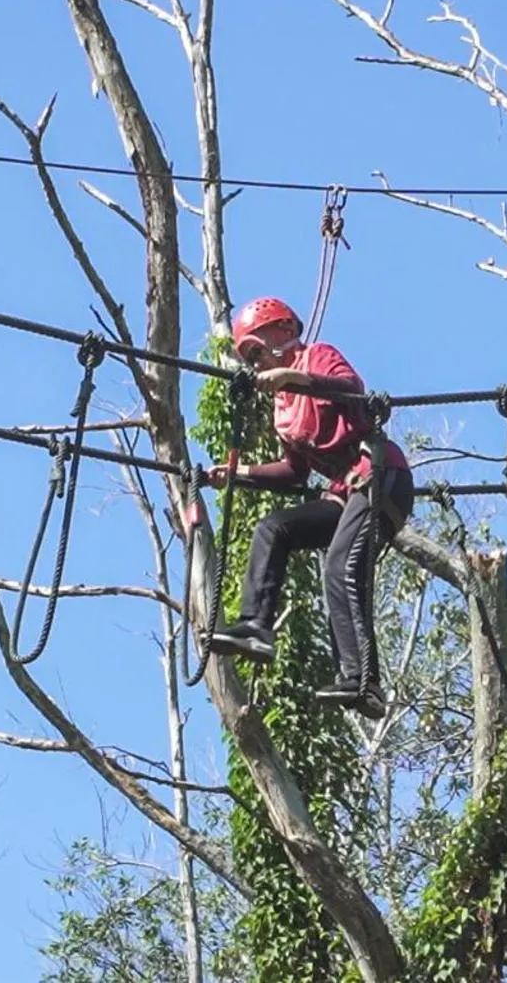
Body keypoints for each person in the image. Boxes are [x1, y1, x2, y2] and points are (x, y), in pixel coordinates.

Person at [204, 296, 414, 718]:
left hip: (380, 476)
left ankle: (363, 682)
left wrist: (293, 376)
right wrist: (238, 472)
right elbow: (294, 473)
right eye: (249, 357)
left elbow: (351, 388)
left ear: (283, 332)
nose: (256, 362)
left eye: (257, 350)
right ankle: (256, 628)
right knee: (273, 528)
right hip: (343, 492)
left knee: (340, 565)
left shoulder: (318, 357)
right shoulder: (282, 410)